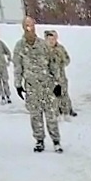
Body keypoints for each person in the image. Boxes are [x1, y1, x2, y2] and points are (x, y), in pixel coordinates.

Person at [13, 16, 63, 153]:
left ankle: (56, 141)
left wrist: (58, 83)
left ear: (35, 26)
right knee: (35, 116)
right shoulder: (19, 47)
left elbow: (53, 65)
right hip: (31, 87)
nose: (29, 27)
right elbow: (17, 67)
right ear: (23, 27)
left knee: (51, 116)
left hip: (47, 86)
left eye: (31, 24)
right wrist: (18, 84)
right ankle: (39, 140)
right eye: (26, 25)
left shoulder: (43, 45)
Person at [44, 29, 77, 118]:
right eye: (49, 39)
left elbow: (67, 60)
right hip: (49, 77)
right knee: (52, 95)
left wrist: (62, 62)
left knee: (64, 94)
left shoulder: (60, 49)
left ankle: (68, 109)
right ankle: (55, 111)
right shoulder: (43, 50)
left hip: (61, 76)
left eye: (53, 39)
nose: (51, 42)